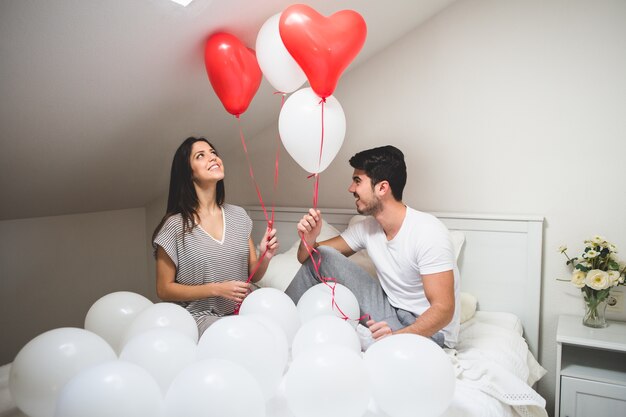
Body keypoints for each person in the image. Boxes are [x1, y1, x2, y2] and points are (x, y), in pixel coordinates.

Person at [286, 145, 460, 348]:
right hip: (390, 310)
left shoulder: (428, 232)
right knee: (321, 254)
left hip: (428, 330)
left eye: (357, 181)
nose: (351, 189)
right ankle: (277, 315)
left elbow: (443, 310)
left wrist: (398, 337)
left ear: (382, 188)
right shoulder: (367, 228)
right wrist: (309, 240)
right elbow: (309, 257)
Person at [152, 137, 279, 336]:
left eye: (213, 152)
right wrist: (216, 289)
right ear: (188, 173)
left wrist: (266, 256)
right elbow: (163, 289)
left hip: (244, 310)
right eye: (200, 156)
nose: (213, 158)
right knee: (242, 337)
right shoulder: (174, 226)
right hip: (201, 317)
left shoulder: (239, 216)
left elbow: (252, 274)